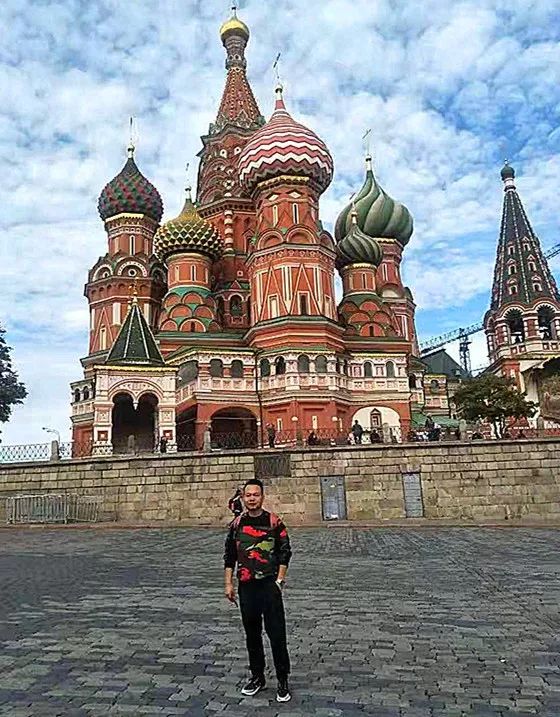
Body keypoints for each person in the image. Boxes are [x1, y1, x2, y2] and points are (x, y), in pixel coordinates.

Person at [224, 479, 292, 703]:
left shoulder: (274, 522)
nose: (252, 498)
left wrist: (279, 580)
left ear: (262, 497)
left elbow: (285, 552)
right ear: (243, 498)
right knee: (252, 634)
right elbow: (230, 556)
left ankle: (282, 679)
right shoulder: (237, 524)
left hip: (269, 586)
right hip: (247, 587)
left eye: (256, 494)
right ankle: (257, 676)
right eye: (248, 495)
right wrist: (228, 583)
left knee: (276, 634)